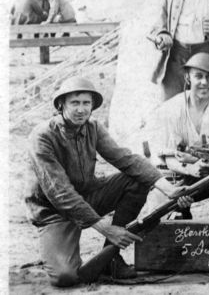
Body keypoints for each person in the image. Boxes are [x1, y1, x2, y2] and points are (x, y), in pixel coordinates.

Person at [25, 77, 192, 287]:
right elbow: (60, 193)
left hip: (86, 197)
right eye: (74, 103)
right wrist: (107, 229)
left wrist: (170, 190)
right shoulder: (42, 136)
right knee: (65, 277)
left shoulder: (93, 127)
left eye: (86, 103)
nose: (81, 110)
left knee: (136, 179)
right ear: (61, 105)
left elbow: (126, 159)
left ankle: (110, 258)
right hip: (54, 212)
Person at [147, 52, 209, 219]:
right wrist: (191, 168)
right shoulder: (172, 108)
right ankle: (181, 216)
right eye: (198, 76)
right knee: (166, 216)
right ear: (188, 78)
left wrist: (201, 155)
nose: (204, 82)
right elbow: (168, 157)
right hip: (178, 176)